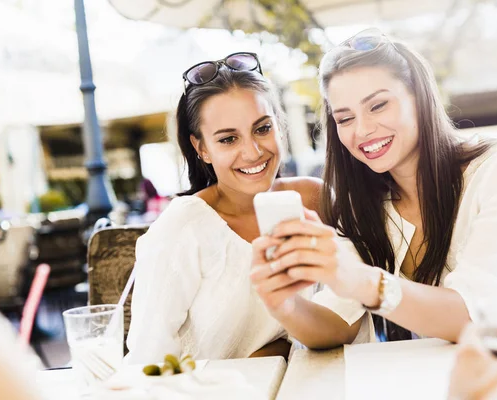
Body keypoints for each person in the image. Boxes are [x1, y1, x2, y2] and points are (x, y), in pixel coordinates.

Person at [251, 29, 497, 344]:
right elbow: (339, 324)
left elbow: (472, 316)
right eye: (345, 119)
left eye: (378, 106)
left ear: (419, 97)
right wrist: (285, 305)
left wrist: (361, 281)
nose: (363, 130)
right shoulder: (362, 205)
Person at [126, 52, 366, 364]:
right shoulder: (183, 226)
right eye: (228, 139)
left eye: (262, 128)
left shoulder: (315, 199)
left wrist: (278, 347)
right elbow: (149, 359)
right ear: (202, 149)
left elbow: (345, 322)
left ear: (278, 126)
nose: (252, 152)